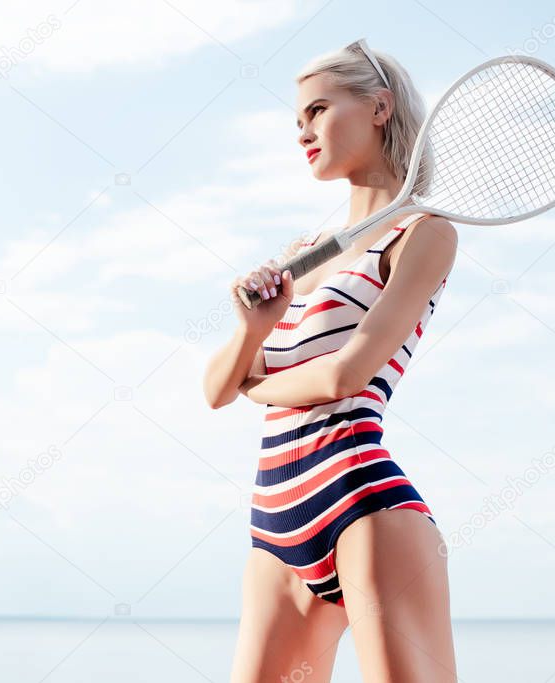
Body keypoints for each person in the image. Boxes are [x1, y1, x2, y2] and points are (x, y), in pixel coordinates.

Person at [202, 38, 459, 682]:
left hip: (364, 509)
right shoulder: (305, 250)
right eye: (297, 121)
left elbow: (347, 374)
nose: (303, 133)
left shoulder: (424, 233)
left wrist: (255, 384)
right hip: (275, 526)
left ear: (380, 107)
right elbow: (212, 389)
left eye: (318, 111)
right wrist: (253, 330)